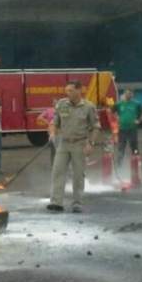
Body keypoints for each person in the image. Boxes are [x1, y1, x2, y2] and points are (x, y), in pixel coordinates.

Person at [48, 80, 100, 213]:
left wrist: (91, 143)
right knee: (57, 172)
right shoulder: (61, 104)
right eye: (66, 91)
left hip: (80, 144)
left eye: (70, 90)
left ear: (79, 90)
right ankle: (56, 202)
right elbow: (54, 122)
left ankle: (77, 203)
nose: (68, 93)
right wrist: (52, 133)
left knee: (78, 175)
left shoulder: (88, 107)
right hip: (63, 143)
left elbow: (95, 127)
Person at [114, 88, 142, 167]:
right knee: (121, 146)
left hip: (132, 129)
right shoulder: (119, 104)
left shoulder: (137, 104)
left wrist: (139, 120)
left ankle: (137, 163)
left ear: (132, 94)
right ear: (124, 94)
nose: (128, 95)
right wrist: (117, 117)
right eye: (127, 93)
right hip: (122, 129)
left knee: (134, 145)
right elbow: (111, 111)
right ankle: (119, 164)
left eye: (130, 93)